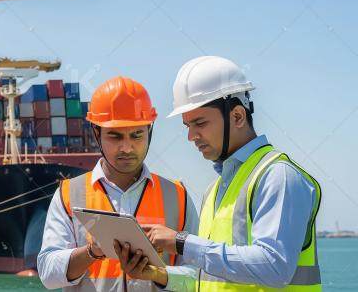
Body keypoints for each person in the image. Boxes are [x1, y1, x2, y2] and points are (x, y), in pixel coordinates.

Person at [117, 56, 322, 291]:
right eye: (187, 126)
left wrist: (181, 242)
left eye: (200, 123)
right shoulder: (213, 191)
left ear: (237, 116)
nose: (191, 136)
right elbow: (210, 281)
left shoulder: (278, 176)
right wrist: (157, 274)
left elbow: (274, 267)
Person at [38, 76, 199, 291]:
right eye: (115, 136)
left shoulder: (177, 196)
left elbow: (198, 277)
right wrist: (92, 252)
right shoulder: (68, 194)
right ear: (97, 133)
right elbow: (48, 274)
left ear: (149, 131)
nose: (127, 148)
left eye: (136, 135)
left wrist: (157, 274)